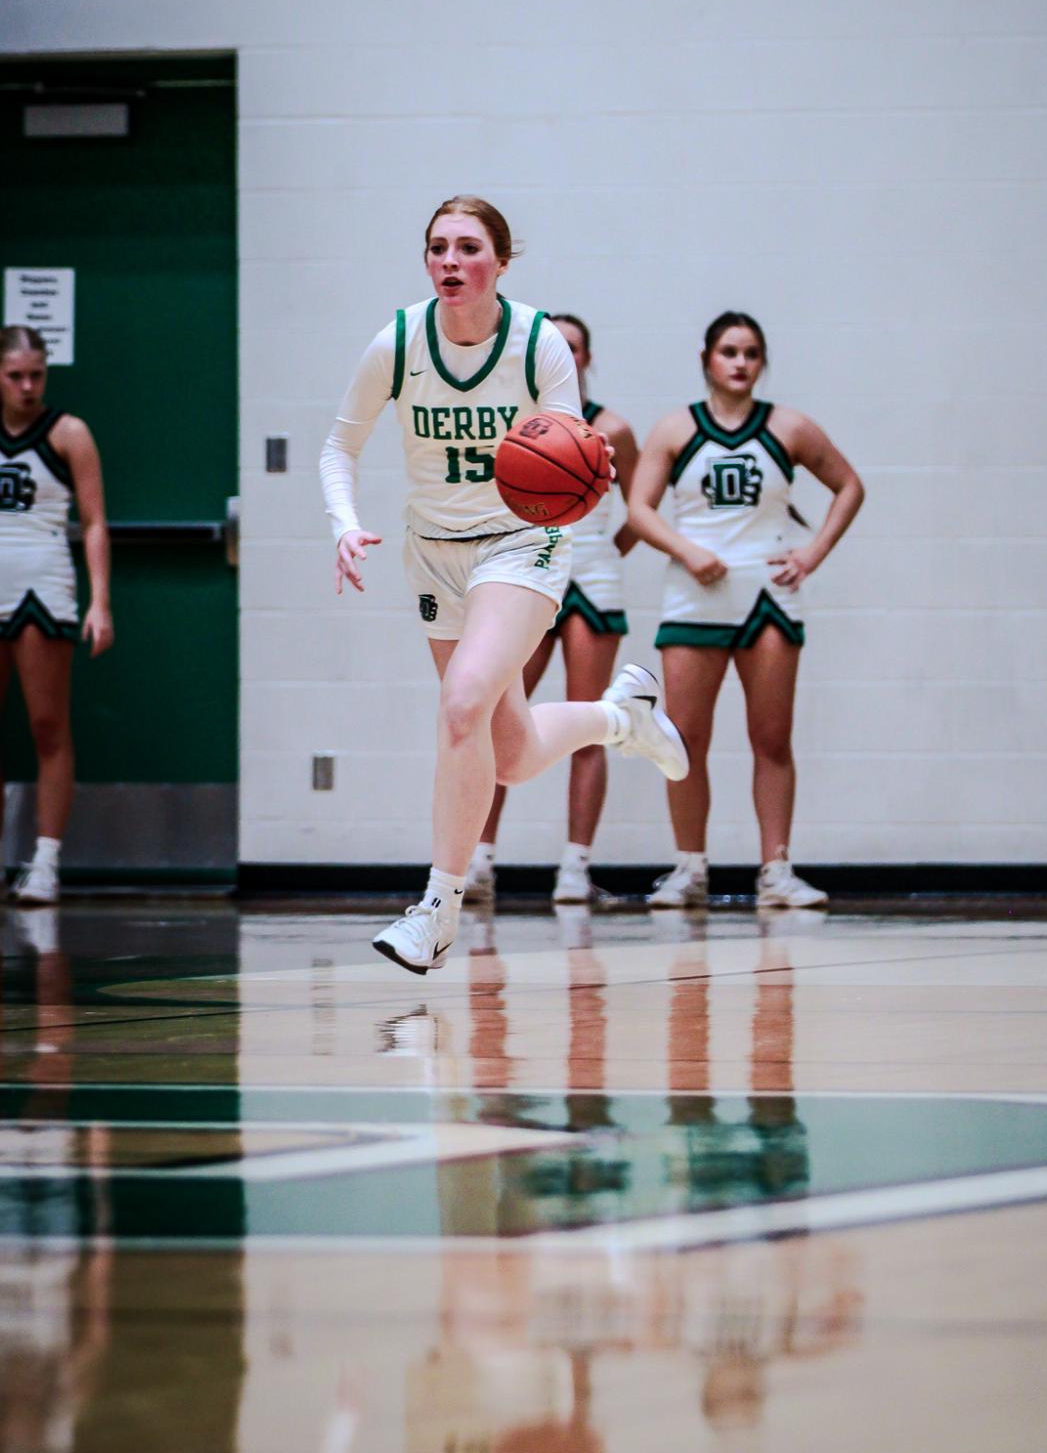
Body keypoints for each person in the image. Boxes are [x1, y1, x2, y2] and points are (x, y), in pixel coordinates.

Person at [320, 197, 687, 975]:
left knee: (460, 705)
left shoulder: (538, 345)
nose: (450, 261)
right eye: (437, 247)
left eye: (468, 247)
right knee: (508, 751)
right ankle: (622, 717)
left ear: (501, 262)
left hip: (524, 543)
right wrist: (344, 523)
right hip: (434, 552)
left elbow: (569, 456)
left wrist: (586, 473)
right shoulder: (398, 342)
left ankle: (437, 907)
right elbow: (339, 444)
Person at [626, 311, 864, 909]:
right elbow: (638, 508)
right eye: (728, 350)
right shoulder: (675, 429)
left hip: (767, 597)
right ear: (706, 357)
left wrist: (811, 553)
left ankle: (776, 872)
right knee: (682, 740)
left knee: (771, 738)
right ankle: (690, 868)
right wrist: (687, 549)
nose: (739, 361)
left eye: (751, 352)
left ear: (762, 363)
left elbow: (850, 486)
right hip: (694, 592)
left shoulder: (789, 426)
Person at [466, 312, 638, 908]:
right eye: (556, 344)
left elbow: (636, 511)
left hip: (591, 576)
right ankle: (480, 859)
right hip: (531, 571)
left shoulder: (613, 426)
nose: (565, 352)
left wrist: (606, 554)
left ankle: (575, 867)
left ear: (586, 358)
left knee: (587, 723)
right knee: (497, 719)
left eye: (575, 345)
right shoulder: (516, 428)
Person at [0, 326, 114, 907]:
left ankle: (46, 861)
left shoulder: (69, 433)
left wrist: (99, 600)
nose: (28, 386)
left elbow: (96, 521)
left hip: (44, 584)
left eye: (37, 375)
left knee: (47, 727)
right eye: (15, 376)